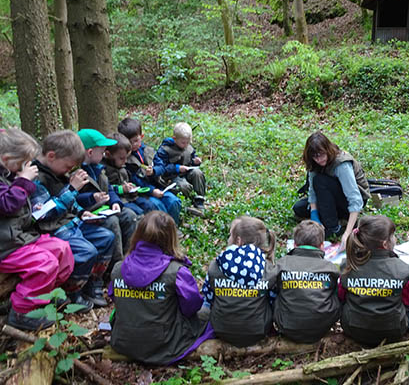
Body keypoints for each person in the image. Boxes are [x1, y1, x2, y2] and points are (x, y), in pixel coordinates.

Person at [109, 211, 213, 364]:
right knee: (207, 310)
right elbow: (192, 307)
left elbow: (114, 298)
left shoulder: (119, 268)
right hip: (165, 345)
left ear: (138, 235)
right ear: (171, 238)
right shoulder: (177, 272)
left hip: (123, 342)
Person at [31, 130, 115, 311]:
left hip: (72, 224)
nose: (69, 171)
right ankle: (73, 292)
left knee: (106, 237)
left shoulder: (57, 172)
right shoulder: (37, 178)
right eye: (68, 166)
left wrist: (82, 213)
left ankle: (93, 283)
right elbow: (43, 214)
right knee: (86, 251)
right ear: (52, 156)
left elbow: (71, 205)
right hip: (53, 230)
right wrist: (72, 189)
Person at [0, 128, 74, 330]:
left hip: (20, 236)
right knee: (45, 263)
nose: (26, 166)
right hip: (6, 246)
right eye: (22, 162)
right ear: (6, 159)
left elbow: (16, 205)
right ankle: (23, 311)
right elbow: (6, 204)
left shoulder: (9, 173)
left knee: (62, 249)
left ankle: (46, 296)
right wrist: (23, 181)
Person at [339, 215, 409, 347]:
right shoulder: (401, 268)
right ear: (385, 244)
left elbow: (341, 296)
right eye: (393, 236)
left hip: (353, 327)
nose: (395, 239)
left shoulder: (348, 265)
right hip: (394, 330)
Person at [201, 216, 276, 347]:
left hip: (221, 329)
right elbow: (273, 300)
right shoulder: (268, 268)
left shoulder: (216, 264)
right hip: (258, 330)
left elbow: (209, 297)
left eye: (230, 235)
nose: (228, 239)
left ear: (238, 241)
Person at [76, 129, 139, 282]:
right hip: (89, 213)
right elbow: (75, 197)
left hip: (105, 208)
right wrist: (92, 197)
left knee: (129, 216)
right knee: (112, 223)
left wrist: (115, 202)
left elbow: (109, 189)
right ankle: (115, 269)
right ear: (90, 152)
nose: (104, 154)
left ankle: (131, 258)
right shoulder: (77, 172)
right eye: (102, 151)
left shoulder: (98, 169)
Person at [293, 131, 370, 251]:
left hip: (349, 199)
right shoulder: (314, 163)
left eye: (321, 155)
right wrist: (314, 216)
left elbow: (355, 199)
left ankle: (334, 228)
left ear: (327, 150)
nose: (319, 159)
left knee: (320, 181)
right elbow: (312, 191)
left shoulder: (341, 164)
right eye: (315, 156)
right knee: (299, 208)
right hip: (329, 194)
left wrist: (347, 234)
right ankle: (328, 218)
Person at [273, 220, 340, 343]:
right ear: (322, 246)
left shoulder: (282, 263)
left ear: (294, 245)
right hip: (322, 326)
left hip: (287, 325)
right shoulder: (330, 267)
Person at [117, 118, 182, 225]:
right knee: (157, 206)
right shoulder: (125, 159)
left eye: (136, 141)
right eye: (129, 142)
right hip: (143, 193)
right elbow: (133, 180)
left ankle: (174, 227)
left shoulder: (149, 151)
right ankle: (164, 231)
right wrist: (152, 191)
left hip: (159, 186)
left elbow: (162, 166)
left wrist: (154, 171)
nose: (133, 145)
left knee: (173, 201)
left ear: (141, 137)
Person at [102, 132, 167, 216]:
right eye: (122, 158)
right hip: (118, 200)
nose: (125, 161)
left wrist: (131, 187)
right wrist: (121, 189)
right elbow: (106, 188)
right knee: (138, 213)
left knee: (149, 206)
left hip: (130, 197)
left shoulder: (121, 165)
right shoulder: (104, 169)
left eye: (126, 157)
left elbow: (128, 180)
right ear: (108, 155)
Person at [153, 122, 206, 216]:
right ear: (174, 139)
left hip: (186, 172)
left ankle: (199, 199)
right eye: (183, 142)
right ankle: (186, 202)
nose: (186, 145)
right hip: (171, 177)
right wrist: (177, 168)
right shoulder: (165, 149)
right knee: (183, 186)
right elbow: (162, 167)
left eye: (188, 142)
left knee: (197, 173)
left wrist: (195, 161)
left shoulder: (188, 147)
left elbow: (192, 157)